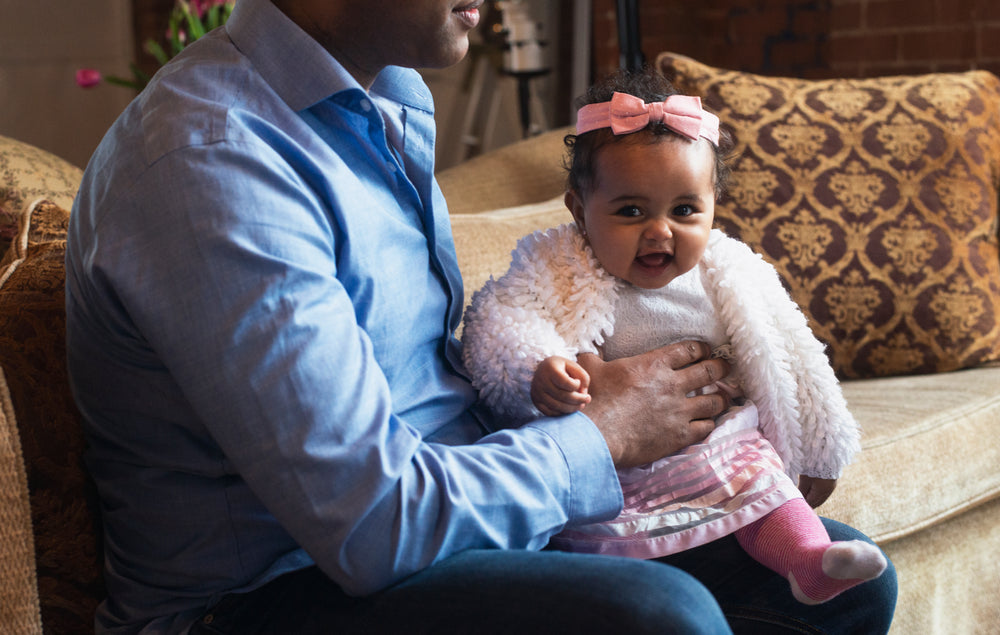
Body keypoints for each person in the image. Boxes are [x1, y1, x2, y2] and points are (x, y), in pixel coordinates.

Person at [64, 0, 896, 632]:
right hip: (267, 594)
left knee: (848, 589)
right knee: (659, 615)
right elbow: (370, 522)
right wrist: (604, 430)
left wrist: (561, 389)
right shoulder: (216, 161)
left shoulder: (384, 102)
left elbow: (445, 383)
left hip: (436, 534)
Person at [462, 68, 890, 606]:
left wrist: (822, 449)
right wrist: (538, 368)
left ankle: (809, 562)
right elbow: (500, 321)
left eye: (685, 210)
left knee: (764, 485)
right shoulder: (556, 267)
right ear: (578, 209)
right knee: (600, 539)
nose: (660, 230)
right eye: (631, 211)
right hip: (616, 469)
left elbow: (793, 351)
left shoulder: (728, 271)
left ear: (713, 206)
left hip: (721, 447)